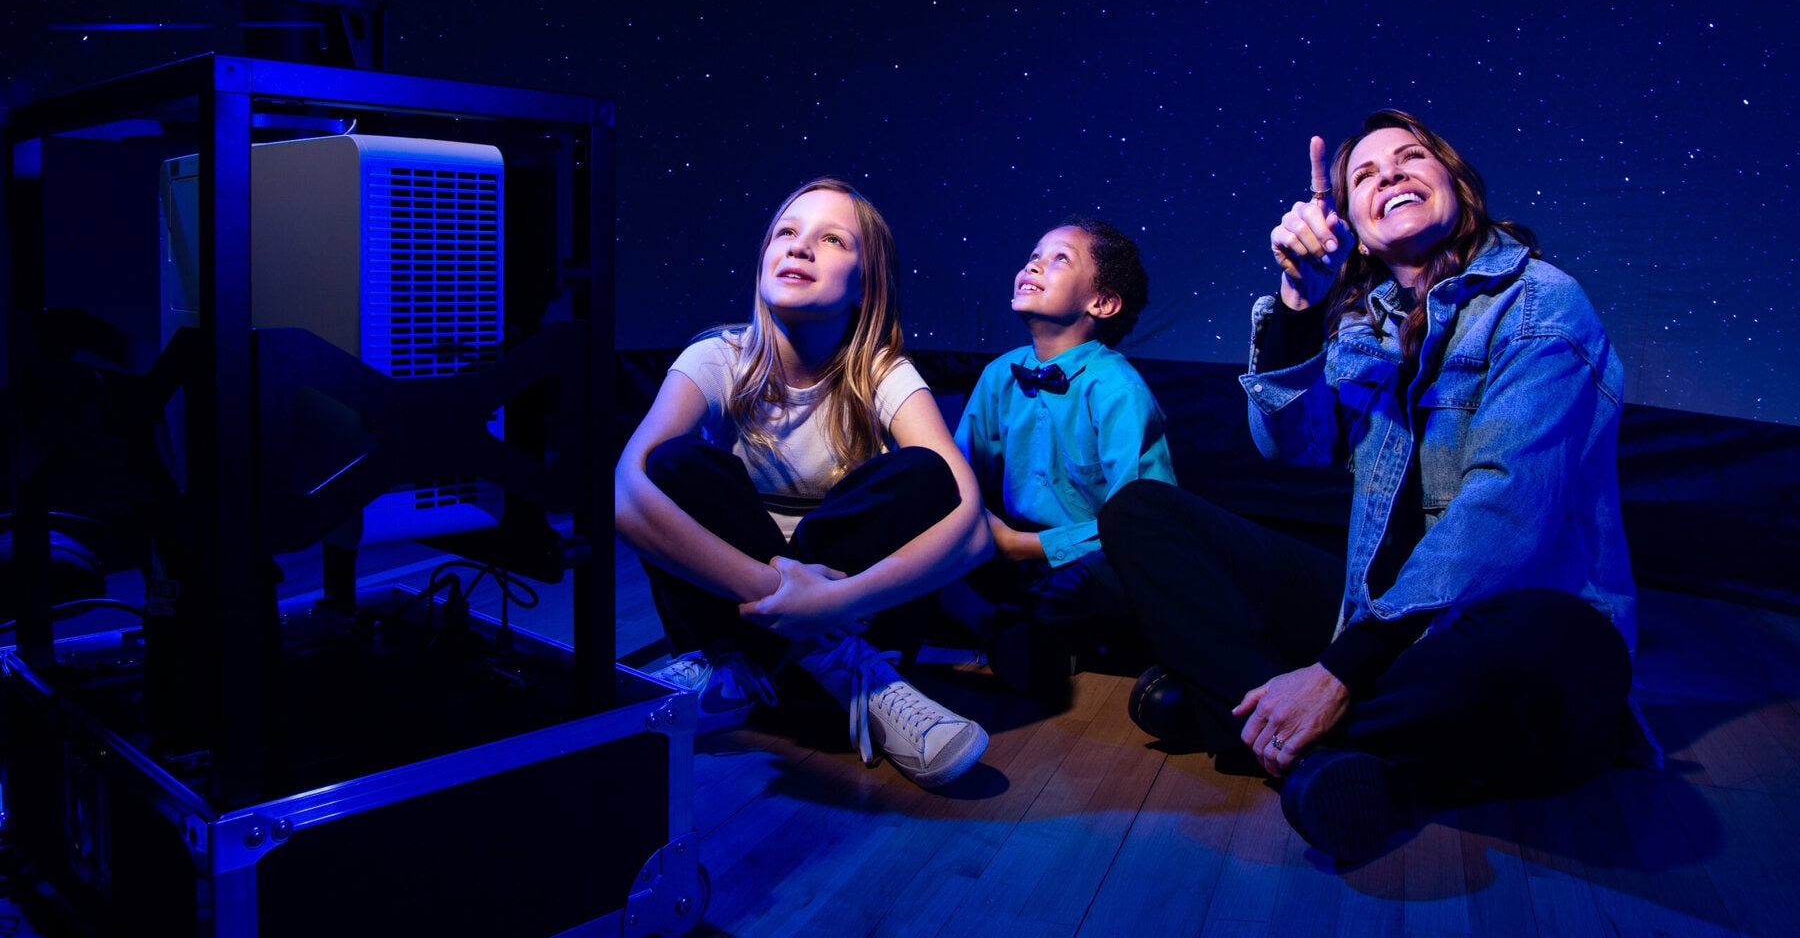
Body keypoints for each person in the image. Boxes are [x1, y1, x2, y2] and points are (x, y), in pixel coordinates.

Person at [1102, 109, 1652, 862]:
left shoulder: (1542, 304)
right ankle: (1327, 755)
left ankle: (1232, 710)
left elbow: (1507, 516)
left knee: (1557, 639)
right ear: (1354, 229)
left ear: (1457, 185)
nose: (1388, 173)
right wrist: (1300, 302)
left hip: (1494, 627)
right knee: (1143, 513)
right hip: (1375, 620)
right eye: (1364, 174)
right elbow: (1289, 445)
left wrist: (1337, 671)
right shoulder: (1363, 325)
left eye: (1411, 157)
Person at [614, 177, 992, 789]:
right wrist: (781, 591)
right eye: (786, 233)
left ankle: (836, 668)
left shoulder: (883, 372)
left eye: (831, 238)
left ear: (866, 284)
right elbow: (623, 492)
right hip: (740, 622)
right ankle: (775, 665)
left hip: (859, 625)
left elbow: (972, 531)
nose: (800, 247)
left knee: (926, 474)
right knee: (672, 463)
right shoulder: (717, 356)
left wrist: (838, 601)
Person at [945, 218, 1176, 696]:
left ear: (1102, 303)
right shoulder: (997, 377)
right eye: (1034, 254)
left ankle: (1046, 639)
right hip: (1010, 548)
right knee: (925, 544)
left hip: (1097, 553)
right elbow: (956, 477)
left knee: (1087, 585)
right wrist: (978, 530)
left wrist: (1021, 547)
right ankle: (1005, 629)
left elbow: (1143, 523)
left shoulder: (1117, 389)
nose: (1034, 263)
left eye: (1059, 258)